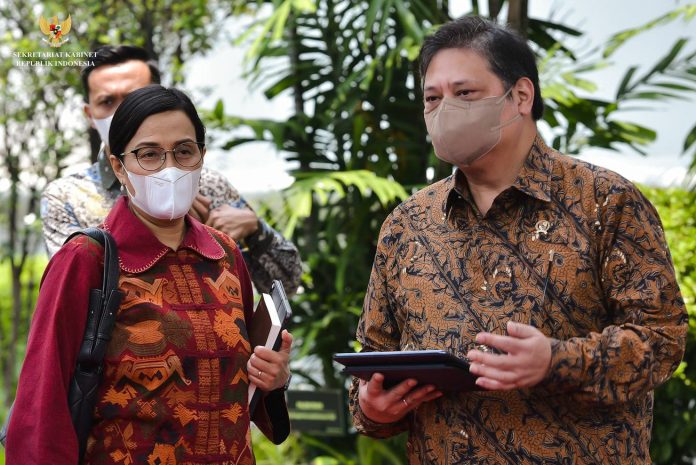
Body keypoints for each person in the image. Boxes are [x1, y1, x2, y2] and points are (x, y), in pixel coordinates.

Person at [349, 16, 687, 465]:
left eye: (464, 93)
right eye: (433, 98)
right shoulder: (407, 224)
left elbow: (662, 341)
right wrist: (372, 409)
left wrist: (556, 361)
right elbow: (374, 358)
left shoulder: (605, 202)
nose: (444, 109)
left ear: (521, 96)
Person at [7, 85, 293, 464]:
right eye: (150, 154)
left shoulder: (225, 254)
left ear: (201, 157)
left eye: (184, 151)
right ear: (118, 166)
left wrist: (274, 378)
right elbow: (42, 407)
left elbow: (244, 395)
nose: (169, 167)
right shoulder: (85, 260)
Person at [41, 44, 302, 296]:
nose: (123, 111)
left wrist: (256, 232)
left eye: (135, 96)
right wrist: (171, 227)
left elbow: (287, 285)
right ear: (89, 114)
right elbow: (72, 294)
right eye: (107, 101)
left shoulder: (207, 184)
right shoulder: (67, 197)